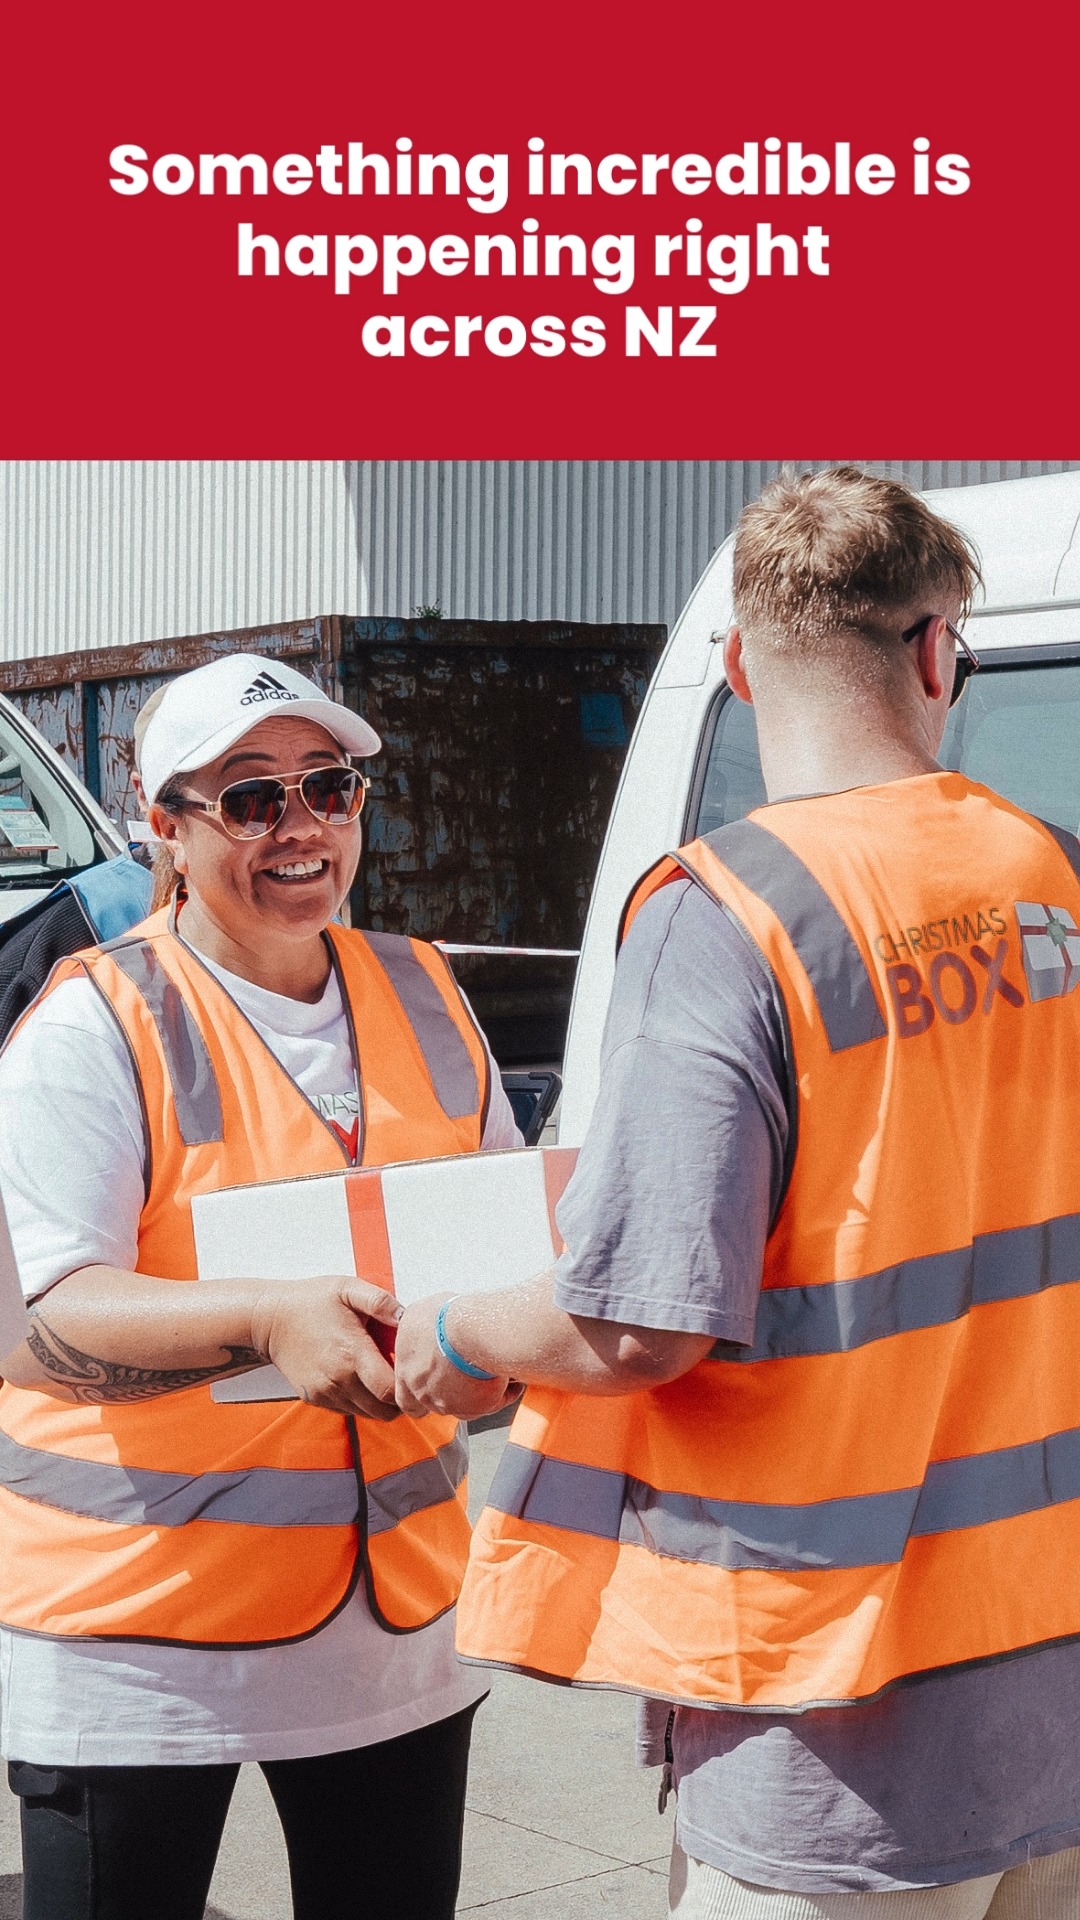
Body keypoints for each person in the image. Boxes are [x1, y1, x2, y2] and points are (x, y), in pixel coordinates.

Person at [394, 468, 1080, 1917]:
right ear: (939, 650)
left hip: (834, 1695)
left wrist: (452, 1336)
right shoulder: (1047, 877)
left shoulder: (731, 912)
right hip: (1044, 1658)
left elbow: (637, 1325)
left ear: (738, 667)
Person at [0, 650, 520, 1920]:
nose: (299, 828)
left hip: (395, 1636)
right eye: (247, 799)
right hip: (135, 1642)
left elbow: (513, 1241)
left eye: (327, 788)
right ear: (161, 826)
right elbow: (54, 1306)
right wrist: (267, 1317)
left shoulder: (430, 992)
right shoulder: (93, 1023)